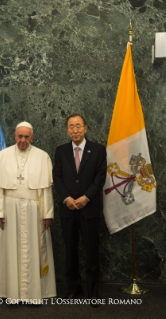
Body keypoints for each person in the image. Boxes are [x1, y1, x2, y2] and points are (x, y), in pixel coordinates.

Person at [0, 121, 56, 304]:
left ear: (32, 137)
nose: (23, 140)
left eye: (27, 137)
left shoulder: (42, 157)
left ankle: (35, 293)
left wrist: (47, 213)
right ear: (14, 135)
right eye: (20, 136)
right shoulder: (2, 156)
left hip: (35, 210)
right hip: (10, 210)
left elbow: (45, 190)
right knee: (10, 249)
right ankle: (11, 292)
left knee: (35, 249)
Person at [53, 114, 107, 306]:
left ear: (85, 128)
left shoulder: (98, 150)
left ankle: (93, 293)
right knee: (70, 251)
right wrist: (67, 198)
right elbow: (57, 177)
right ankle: (73, 289)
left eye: (78, 126)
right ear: (67, 130)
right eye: (71, 127)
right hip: (68, 209)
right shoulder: (61, 151)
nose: (75, 130)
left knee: (92, 252)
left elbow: (100, 177)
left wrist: (86, 198)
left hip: (89, 208)